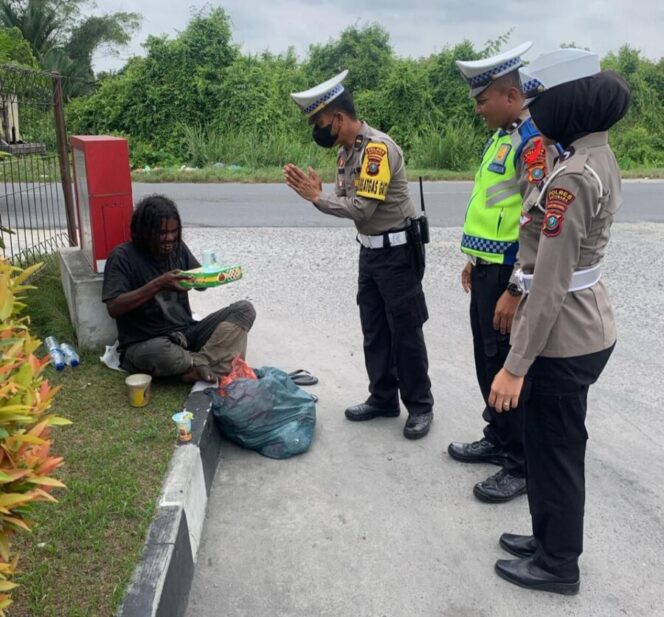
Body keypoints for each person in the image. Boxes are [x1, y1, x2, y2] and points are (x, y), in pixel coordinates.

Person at [488, 49, 630, 594]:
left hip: (564, 338)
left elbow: (547, 288)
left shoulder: (571, 179)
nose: (534, 109)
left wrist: (514, 366)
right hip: (585, 325)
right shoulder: (594, 156)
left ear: (566, 103)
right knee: (552, 447)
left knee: (557, 450)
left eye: (542, 99)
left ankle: (557, 565)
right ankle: (547, 539)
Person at [284, 70, 434, 439]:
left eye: (319, 122)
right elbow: (344, 202)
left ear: (337, 117)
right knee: (374, 330)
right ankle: (382, 397)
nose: (317, 130)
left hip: (397, 253)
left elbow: (361, 208)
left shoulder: (376, 150)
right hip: (369, 254)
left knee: (406, 333)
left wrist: (317, 198)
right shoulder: (344, 154)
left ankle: (420, 406)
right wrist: (321, 197)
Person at [448, 42, 549, 502]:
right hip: (488, 268)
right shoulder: (503, 134)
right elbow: (494, 204)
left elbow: (534, 223)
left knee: (508, 364)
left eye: (481, 99)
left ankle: (520, 463)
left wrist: (515, 287)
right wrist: (474, 257)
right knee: (487, 358)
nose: (477, 108)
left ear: (510, 95)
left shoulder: (532, 143)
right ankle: (497, 437)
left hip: (510, 274)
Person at [102, 194, 256, 382]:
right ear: (142, 232)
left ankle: (196, 364)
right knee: (153, 353)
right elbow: (114, 307)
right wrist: (159, 284)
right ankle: (211, 364)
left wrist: (211, 275)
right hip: (148, 341)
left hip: (187, 334)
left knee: (244, 310)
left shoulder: (177, 248)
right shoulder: (122, 257)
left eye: (174, 232)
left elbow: (200, 285)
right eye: (162, 234)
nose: (170, 238)